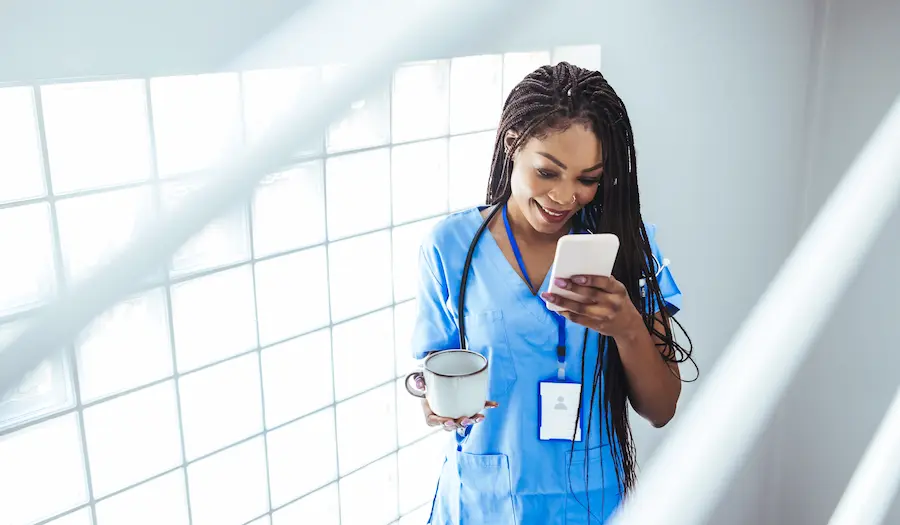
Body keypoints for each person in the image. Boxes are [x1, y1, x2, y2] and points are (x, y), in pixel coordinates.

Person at [407, 61, 695, 524]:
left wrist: (627, 329)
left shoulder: (627, 246)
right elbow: (433, 373)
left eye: (587, 179)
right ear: (511, 144)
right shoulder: (450, 247)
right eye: (548, 172)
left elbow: (661, 409)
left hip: (590, 502)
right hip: (483, 501)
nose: (565, 196)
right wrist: (431, 400)